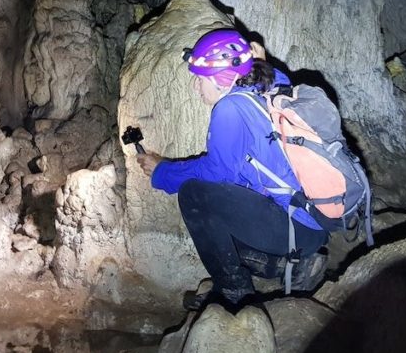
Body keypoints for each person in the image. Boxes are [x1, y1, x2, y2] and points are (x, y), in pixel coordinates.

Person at [136, 28, 335, 310]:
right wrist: (261, 61)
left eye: (199, 78)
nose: (195, 87)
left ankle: (234, 291)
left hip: (296, 226)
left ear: (222, 79)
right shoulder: (267, 85)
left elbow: (217, 173)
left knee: (195, 195)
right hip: (314, 220)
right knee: (228, 205)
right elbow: (274, 77)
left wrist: (162, 172)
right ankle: (292, 266)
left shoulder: (229, 108)